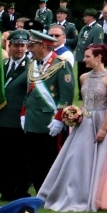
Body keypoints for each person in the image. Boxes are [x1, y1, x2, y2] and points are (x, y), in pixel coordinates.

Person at [39, 45, 107, 213]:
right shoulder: (83, 77)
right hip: (84, 122)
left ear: (99, 57)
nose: (84, 59)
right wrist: (75, 114)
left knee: (101, 160)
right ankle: (72, 192)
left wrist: (103, 129)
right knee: (77, 158)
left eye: (88, 56)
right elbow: (84, 101)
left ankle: (96, 195)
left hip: (101, 121)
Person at [24, 30, 75, 194]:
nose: (29, 49)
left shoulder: (61, 64)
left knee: (49, 158)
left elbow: (66, 95)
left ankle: (52, 192)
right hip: (32, 119)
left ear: (43, 46)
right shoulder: (33, 64)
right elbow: (29, 92)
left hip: (49, 119)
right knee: (34, 159)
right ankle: (40, 190)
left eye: (32, 45)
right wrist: (24, 113)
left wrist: (60, 119)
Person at [0, 31, 34, 200]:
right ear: (8, 46)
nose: (19, 49)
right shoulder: (2, 65)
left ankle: (20, 190)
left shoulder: (31, 66)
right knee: (3, 158)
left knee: (20, 159)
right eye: (16, 45)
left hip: (19, 119)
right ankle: (6, 190)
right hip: (1, 119)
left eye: (22, 45)